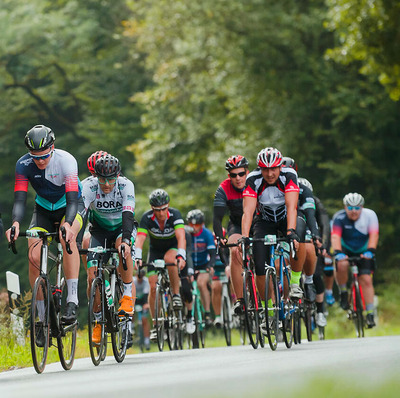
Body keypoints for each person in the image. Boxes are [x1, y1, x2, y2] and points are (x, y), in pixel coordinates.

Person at [6, 125, 85, 325]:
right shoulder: (23, 165)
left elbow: (73, 200)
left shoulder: (66, 161)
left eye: (44, 156)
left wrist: (67, 223)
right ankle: (42, 317)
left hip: (71, 205)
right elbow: (19, 199)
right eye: (35, 157)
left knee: (67, 237)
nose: (40, 161)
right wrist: (15, 223)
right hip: (42, 209)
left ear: (52, 148)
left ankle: (72, 300)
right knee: (33, 254)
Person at [241, 147, 306, 316]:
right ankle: (269, 311)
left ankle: (294, 283)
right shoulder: (253, 179)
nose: (269, 174)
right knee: (259, 265)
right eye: (265, 169)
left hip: (286, 217)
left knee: (299, 237)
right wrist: (244, 236)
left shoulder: (289, 175)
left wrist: (291, 232)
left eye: (273, 169)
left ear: (280, 167)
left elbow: (292, 207)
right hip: (264, 220)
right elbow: (248, 211)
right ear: (259, 168)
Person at [82, 154, 137, 343]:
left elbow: (128, 214)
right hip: (99, 231)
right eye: (102, 179)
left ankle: (127, 295)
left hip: (123, 228)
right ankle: (98, 323)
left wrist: (127, 241)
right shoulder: (88, 186)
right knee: (92, 276)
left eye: (111, 179)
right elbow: (81, 214)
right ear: (95, 176)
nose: (106, 184)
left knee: (122, 248)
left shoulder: (126, 185)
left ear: (118, 175)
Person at [134, 189, 187, 340]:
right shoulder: (147, 218)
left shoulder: (175, 215)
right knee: (152, 286)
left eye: (164, 209)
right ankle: (157, 325)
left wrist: (181, 254)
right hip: (155, 251)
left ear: (168, 205)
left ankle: (175, 294)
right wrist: (137, 256)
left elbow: (181, 236)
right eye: (157, 210)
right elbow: (140, 238)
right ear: (152, 209)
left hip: (172, 248)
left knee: (170, 259)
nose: (161, 213)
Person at [332, 193, 379, 328]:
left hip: (364, 250)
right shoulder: (339, 217)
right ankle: (343, 292)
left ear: (362, 207)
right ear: (345, 207)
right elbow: (335, 237)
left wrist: (370, 251)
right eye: (350, 208)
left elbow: (374, 234)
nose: (353, 211)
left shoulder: (370, 215)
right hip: (345, 249)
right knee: (341, 264)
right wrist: (339, 253)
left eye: (357, 208)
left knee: (366, 280)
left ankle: (370, 314)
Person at [213, 155, 249, 314]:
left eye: (241, 174)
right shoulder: (223, 188)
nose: (238, 178)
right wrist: (219, 237)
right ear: (229, 176)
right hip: (237, 225)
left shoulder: (255, 182)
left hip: (258, 223)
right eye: (234, 175)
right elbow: (217, 217)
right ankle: (240, 299)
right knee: (234, 250)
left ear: (247, 172)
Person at [298, 177, 331, 328]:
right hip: (297, 238)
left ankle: (319, 311)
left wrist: (324, 245)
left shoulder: (315, 203)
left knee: (317, 274)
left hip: (313, 237)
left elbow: (324, 225)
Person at [80, 150, 108, 278]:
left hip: (116, 223)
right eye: (93, 174)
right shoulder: (86, 184)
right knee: (85, 242)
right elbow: (81, 212)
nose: (98, 179)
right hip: (95, 223)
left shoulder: (120, 182)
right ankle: (93, 277)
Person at [186, 209, 216, 327]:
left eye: (197, 225)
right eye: (191, 225)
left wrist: (210, 266)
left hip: (204, 265)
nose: (194, 227)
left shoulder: (207, 234)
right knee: (185, 285)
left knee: (201, 283)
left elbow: (213, 254)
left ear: (202, 224)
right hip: (190, 265)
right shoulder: (185, 233)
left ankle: (207, 313)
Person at [132, 268, 151, 350]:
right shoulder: (133, 281)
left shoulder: (146, 281)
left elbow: (147, 294)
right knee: (130, 310)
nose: (140, 279)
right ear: (136, 275)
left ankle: (147, 340)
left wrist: (147, 304)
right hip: (134, 299)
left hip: (143, 301)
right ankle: (131, 326)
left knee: (144, 319)